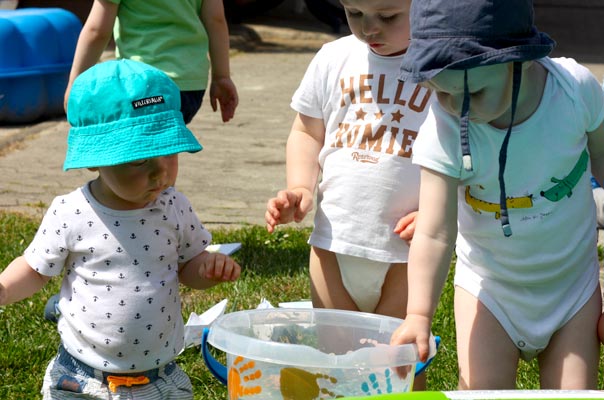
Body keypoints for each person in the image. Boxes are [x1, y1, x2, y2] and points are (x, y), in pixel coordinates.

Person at [389, 0, 604, 390]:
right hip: (490, 291)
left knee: (574, 396)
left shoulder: (574, 92)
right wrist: (418, 314)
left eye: (471, 95)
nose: (456, 110)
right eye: (441, 93)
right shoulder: (445, 127)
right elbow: (435, 232)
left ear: (518, 60)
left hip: (572, 291)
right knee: (482, 395)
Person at [0, 59, 241, 399]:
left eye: (168, 154)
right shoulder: (72, 212)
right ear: (95, 159)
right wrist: (5, 288)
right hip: (83, 379)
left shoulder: (174, 206)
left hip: (160, 377)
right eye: (140, 160)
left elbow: (189, 268)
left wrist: (208, 269)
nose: (161, 174)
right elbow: (36, 269)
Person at [265, 0, 433, 388]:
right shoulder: (334, 57)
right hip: (333, 244)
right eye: (354, 14)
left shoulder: (440, 67)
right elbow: (307, 131)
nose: (369, 28)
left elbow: (464, 150)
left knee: (396, 366)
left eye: (388, 17)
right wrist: (301, 186)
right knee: (337, 369)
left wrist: (436, 213)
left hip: (406, 251)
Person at [64, 0, 238, 124]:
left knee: (137, 154)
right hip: (189, 89)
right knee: (162, 153)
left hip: (143, 88)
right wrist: (221, 76)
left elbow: (97, 31)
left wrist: (75, 83)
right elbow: (216, 20)